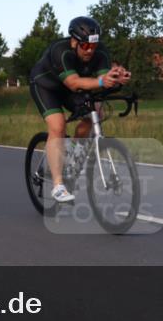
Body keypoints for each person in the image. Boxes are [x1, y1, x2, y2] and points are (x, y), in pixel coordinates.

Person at [29, 16, 131, 203]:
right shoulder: (60, 51)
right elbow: (74, 83)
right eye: (85, 46)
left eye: (94, 45)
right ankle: (58, 186)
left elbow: (103, 79)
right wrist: (101, 81)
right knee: (58, 126)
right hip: (46, 86)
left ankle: (74, 157)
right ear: (74, 41)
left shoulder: (101, 52)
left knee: (95, 112)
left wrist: (116, 78)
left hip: (70, 88)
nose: (90, 50)